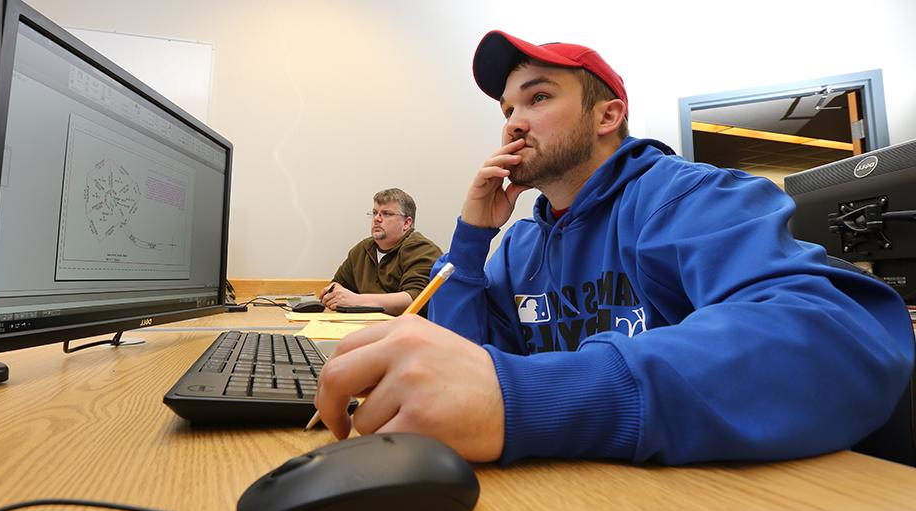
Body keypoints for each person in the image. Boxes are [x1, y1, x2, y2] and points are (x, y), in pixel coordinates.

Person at [314, 31, 915, 464]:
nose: (514, 122)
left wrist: (532, 397)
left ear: (608, 115)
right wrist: (472, 241)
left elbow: (833, 338)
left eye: (539, 98)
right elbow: (460, 372)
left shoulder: (686, 197)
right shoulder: (521, 244)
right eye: (508, 109)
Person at [319, 188, 442, 315]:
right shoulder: (363, 249)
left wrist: (356, 300)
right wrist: (334, 293)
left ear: (406, 223)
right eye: (374, 212)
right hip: (365, 326)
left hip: (408, 330)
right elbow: (338, 285)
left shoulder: (421, 248)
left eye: (386, 214)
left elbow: (415, 299)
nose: (377, 219)